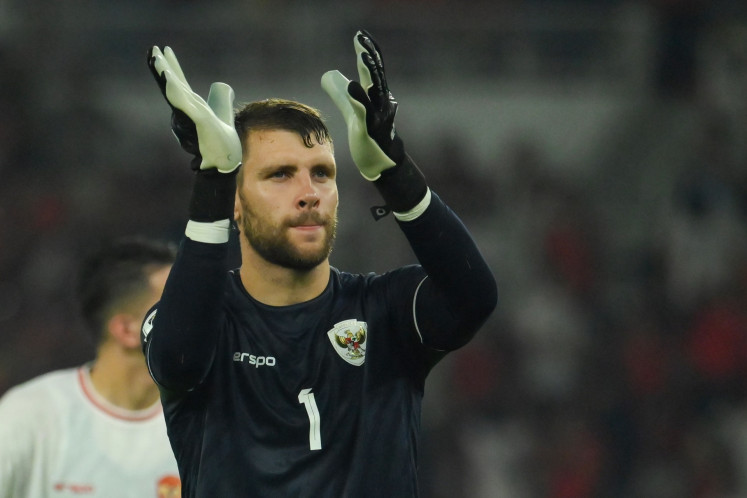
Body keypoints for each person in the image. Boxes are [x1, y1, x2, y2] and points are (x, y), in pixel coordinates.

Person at [143, 29, 497, 497]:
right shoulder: (201, 319)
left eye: (322, 174)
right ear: (236, 202)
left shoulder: (384, 311)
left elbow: (473, 299)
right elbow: (180, 360)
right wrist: (213, 181)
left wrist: (394, 172)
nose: (309, 193)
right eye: (280, 175)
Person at [0, 238, 181, 498]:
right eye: (179, 303)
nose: (198, 315)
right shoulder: (32, 416)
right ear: (128, 330)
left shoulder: (207, 424)